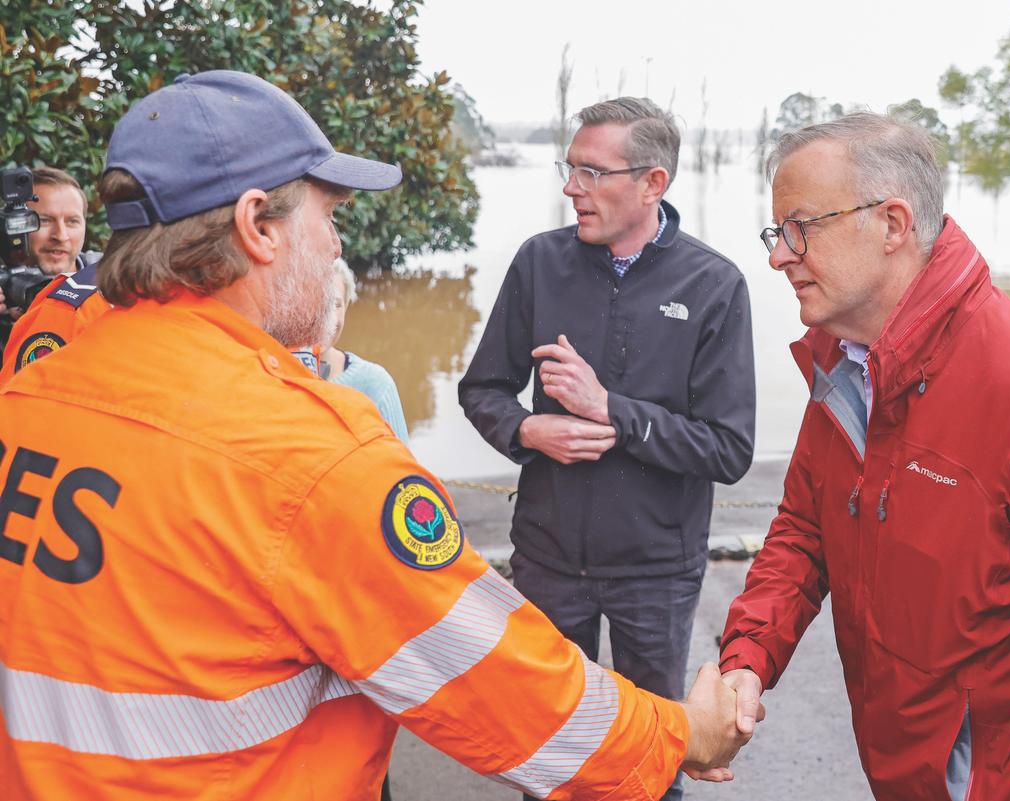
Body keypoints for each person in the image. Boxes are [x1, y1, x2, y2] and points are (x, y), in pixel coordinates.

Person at [0, 70, 757, 801]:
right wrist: (686, 733)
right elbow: (502, 687)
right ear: (257, 227)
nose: (335, 248)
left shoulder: (26, 395)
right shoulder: (314, 456)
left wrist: (615, 415)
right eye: (328, 217)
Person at [719, 112, 1010, 800]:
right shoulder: (846, 365)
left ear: (892, 224)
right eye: (775, 232)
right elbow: (804, 531)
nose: (778, 256)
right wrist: (747, 659)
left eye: (800, 228)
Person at [459, 97, 756, 801]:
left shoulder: (713, 285)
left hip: (656, 571)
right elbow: (483, 390)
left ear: (653, 183)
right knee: (548, 756)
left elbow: (728, 449)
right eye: (570, 169)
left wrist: (611, 411)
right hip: (546, 557)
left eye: (592, 172)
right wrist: (527, 430)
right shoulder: (540, 263)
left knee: (650, 759)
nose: (572, 188)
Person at [0, 168, 107, 372]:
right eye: (45, 221)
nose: (61, 235)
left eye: (72, 221)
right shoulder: (5, 285)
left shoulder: (114, 276)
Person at [294, 258, 410, 442]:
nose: (323, 318)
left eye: (335, 304)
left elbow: (402, 458)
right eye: (311, 302)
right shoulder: (266, 377)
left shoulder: (376, 384)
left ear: (346, 306)